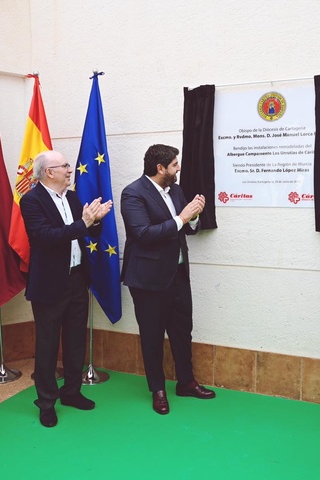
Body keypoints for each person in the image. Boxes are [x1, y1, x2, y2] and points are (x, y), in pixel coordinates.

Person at [120, 144, 215, 415]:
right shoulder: (133, 193)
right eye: (174, 165)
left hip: (178, 275)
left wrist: (193, 218)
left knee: (182, 331)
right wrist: (182, 217)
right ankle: (158, 390)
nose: (179, 168)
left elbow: (186, 229)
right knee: (152, 336)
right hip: (148, 280)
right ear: (160, 168)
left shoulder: (176, 189)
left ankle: (186, 382)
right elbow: (143, 234)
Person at [20, 150, 111, 428]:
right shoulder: (31, 200)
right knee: (47, 345)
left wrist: (94, 220)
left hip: (76, 279)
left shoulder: (71, 197)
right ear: (49, 172)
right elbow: (44, 237)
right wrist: (83, 223)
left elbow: (86, 232)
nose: (70, 170)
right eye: (65, 166)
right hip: (49, 283)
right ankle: (46, 402)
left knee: (75, 340)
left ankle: (71, 392)